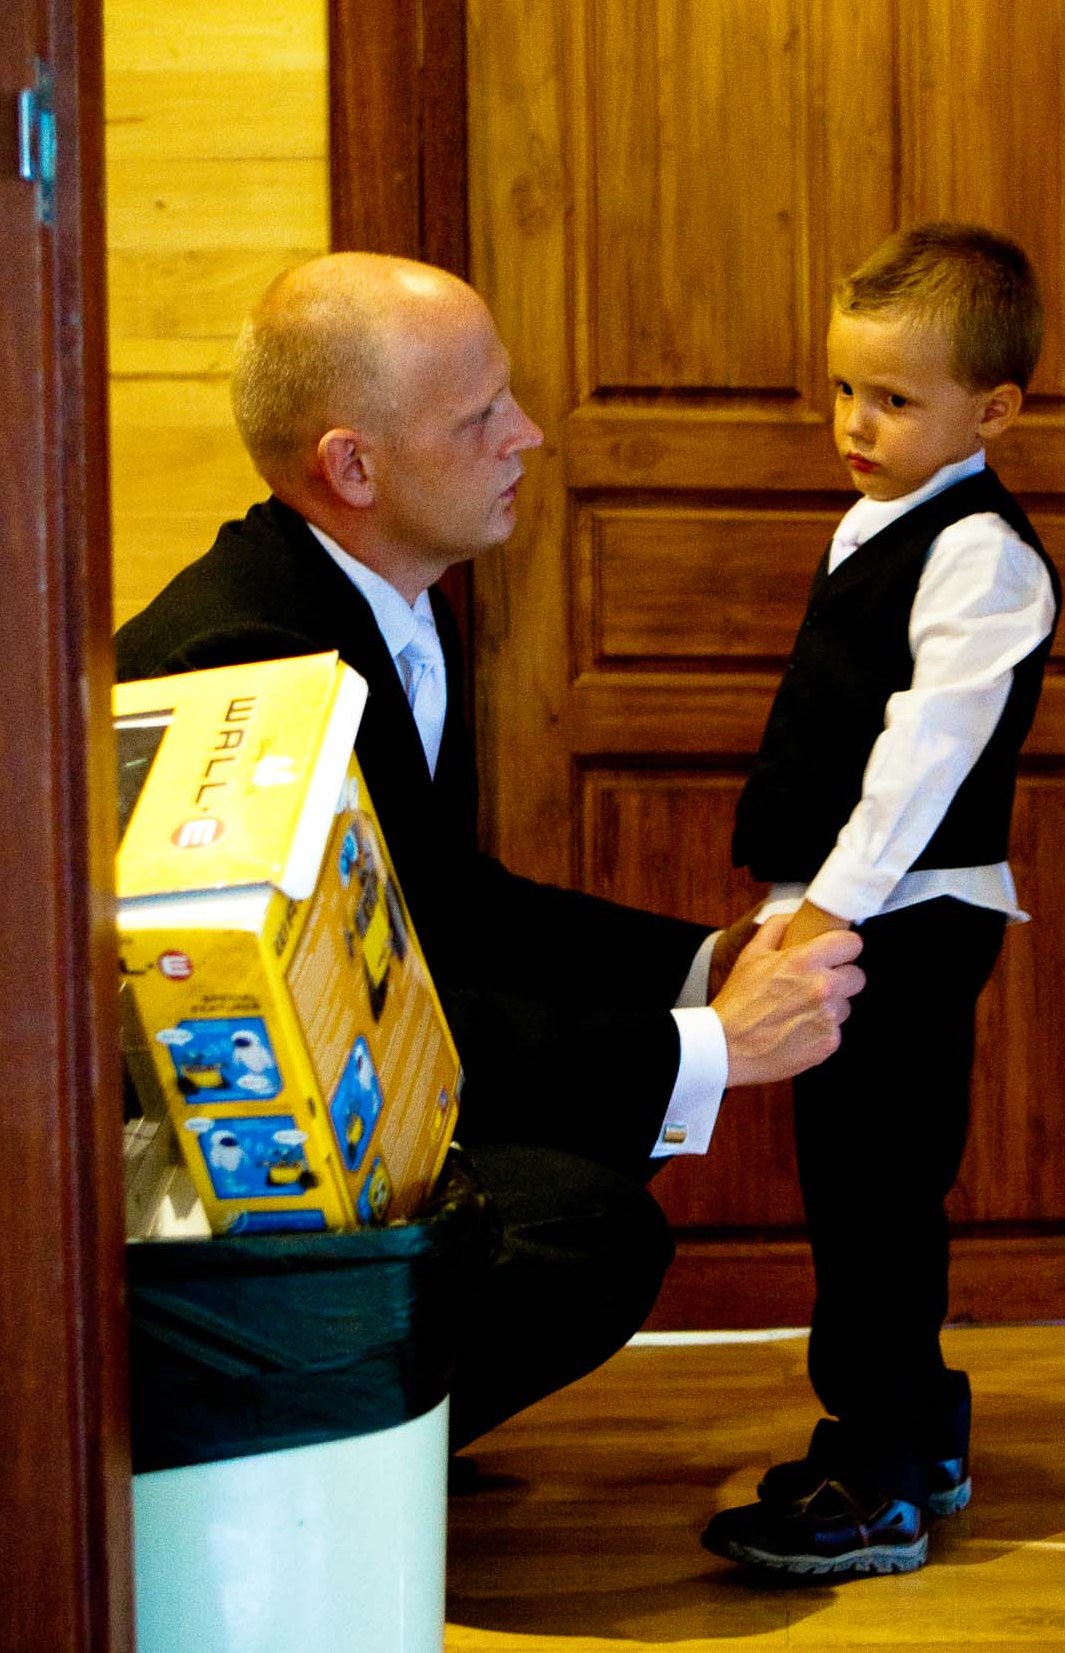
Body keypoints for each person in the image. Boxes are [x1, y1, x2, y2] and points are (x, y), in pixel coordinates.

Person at [116, 252, 866, 1449]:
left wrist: (702, 962)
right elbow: (342, 1022)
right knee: (586, 1226)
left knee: (612, 1117)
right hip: (209, 1162)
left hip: (328, 1089)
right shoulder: (248, 655)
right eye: (479, 417)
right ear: (352, 467)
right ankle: (334, 1461)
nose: (526, 434)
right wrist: (711, 1044)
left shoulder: (391, 599)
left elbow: (447, 904)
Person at [699, 224, 1061, 1577]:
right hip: (863, 905)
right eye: (846, 387)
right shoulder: (882, 520)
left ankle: (877, 1472)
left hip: (905, 912)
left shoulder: (981, 552)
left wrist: (830, 907)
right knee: (861, 1182)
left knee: (874, 1190)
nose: (856, 422)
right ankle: (922, 1426)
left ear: (993, 410)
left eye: (896, 398)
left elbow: (928, 750)